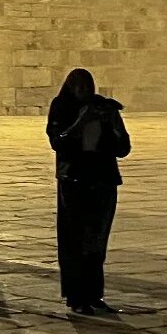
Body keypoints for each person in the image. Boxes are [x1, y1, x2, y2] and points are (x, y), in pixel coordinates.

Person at [47, 68, 130, 315]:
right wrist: (81, 121)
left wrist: (110, 121)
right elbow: (57, 141)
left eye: (87, 87)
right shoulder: (62, 107)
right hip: (74, 180)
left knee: (96, 241)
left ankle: (95, 294)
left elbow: (123, 147)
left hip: (102, 180)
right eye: (78, 87)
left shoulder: (105, 108)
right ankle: (76, 296)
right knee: (75, 241)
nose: (84, 92)